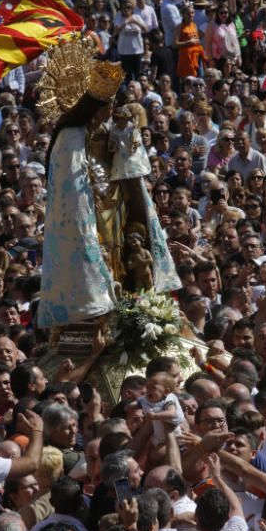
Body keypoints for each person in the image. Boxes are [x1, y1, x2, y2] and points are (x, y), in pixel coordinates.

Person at [37, 50, 180, 327]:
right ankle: (101, 301)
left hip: (116, 200)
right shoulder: (70, 136)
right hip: (87, 206)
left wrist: (127, 139)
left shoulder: (109, 128)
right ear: (94, 104)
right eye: (108, 103)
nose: (112, 108)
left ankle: (124, 298)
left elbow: (128, 162)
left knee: (118, 246)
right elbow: (68, 183)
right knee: (98, 248)